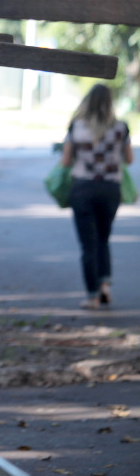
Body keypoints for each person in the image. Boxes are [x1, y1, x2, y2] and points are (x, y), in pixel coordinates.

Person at [60, 84, 133, 310]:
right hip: (110, 189)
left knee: (88, 245)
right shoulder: (121, 128)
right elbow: (129, 159)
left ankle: (92, 296)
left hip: (83, 189)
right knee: (103, 239)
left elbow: (66, 161)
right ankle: (106, 290)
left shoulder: (76, 126)